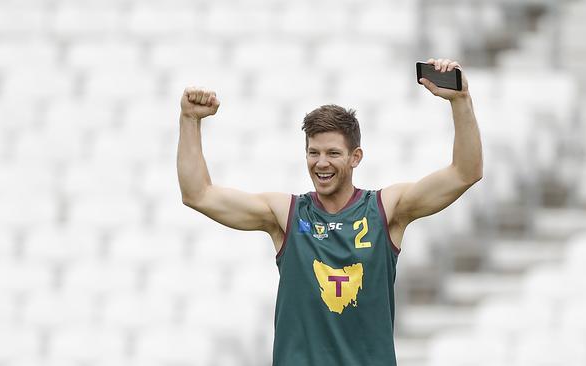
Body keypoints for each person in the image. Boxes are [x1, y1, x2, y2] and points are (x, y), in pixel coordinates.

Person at [177, 58, 483, 366]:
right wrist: (190, 120)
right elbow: (198, 195)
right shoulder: (285, 213)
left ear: (356, 157)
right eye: (314, 152)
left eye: (333, 153)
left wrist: (461, 99)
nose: (321, 163)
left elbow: (464, 173)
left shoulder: (386, 209)